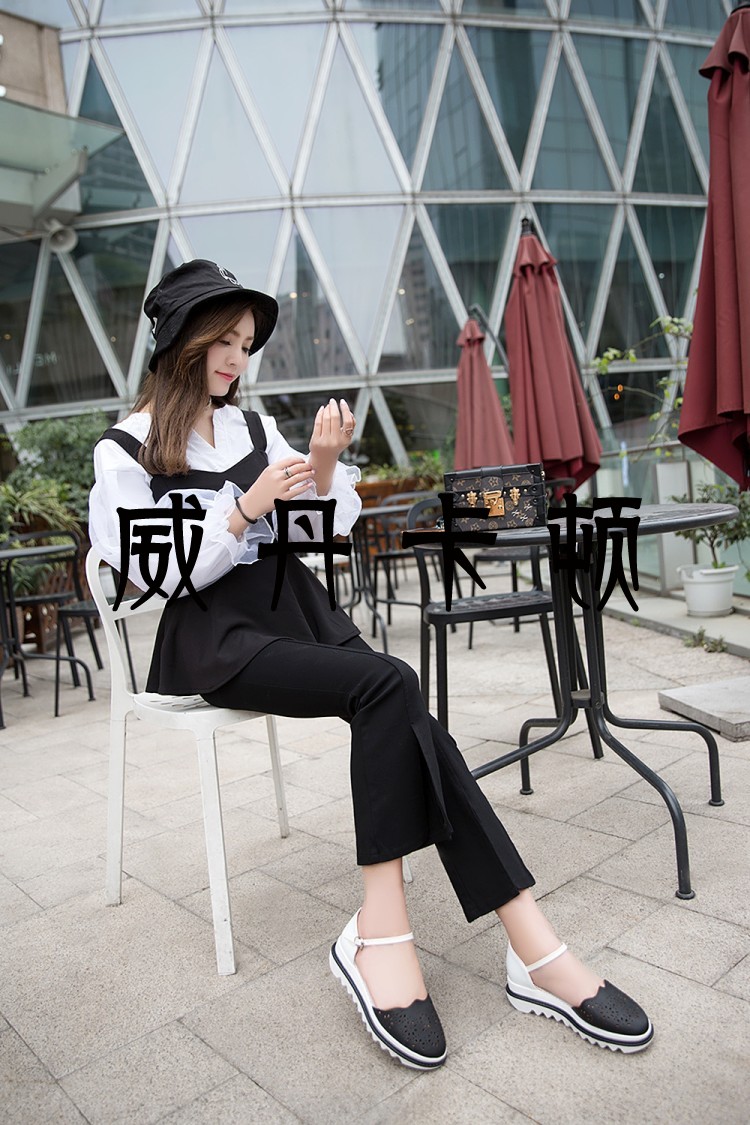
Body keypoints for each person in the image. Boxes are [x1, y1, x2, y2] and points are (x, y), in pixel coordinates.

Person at [89, 259, 653, 1070]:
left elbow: (317, 531)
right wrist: (245, 508)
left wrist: (322, 464)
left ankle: (482, 938)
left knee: (399, 697)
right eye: (225, 341)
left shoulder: (252, 429)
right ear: (183, 339)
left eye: (246, 344)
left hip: (294, 609)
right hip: (216, 638)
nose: (238, 358)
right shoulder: (123, 451)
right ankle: (492, 943)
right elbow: (160, 574)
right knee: (392, 683)